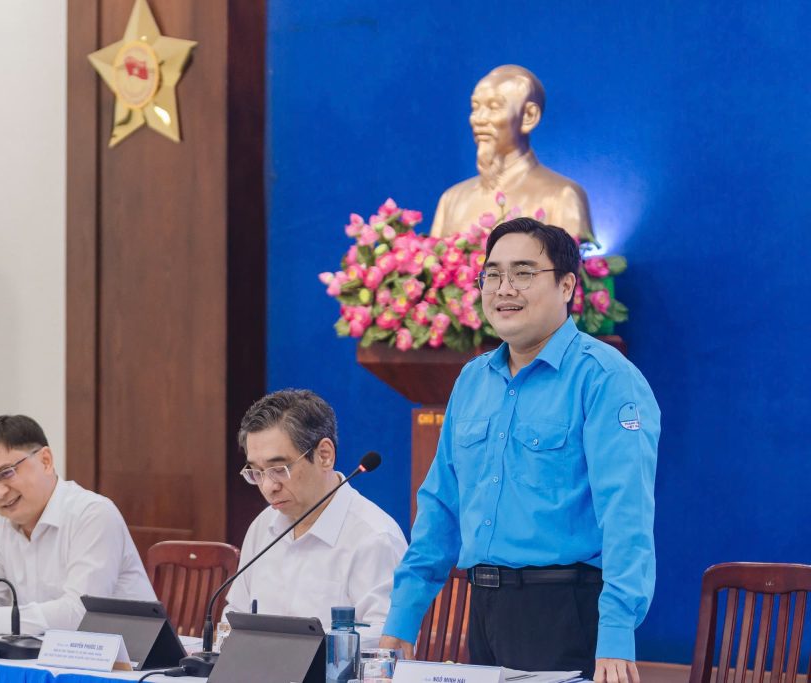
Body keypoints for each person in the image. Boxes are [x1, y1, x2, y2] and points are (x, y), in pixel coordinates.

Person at [381, 218, 659, 683]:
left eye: (524, 273)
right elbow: (440, 507)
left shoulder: (604, 377)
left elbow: (626, 514)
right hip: (484, 608)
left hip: (566, 611)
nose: (504, 288)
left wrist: (616, 632)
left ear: (567, 285)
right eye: (492, 274)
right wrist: (404, 615)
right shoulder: (473, 380)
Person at [223, 389, 408, 647]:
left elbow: (387, 640)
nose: (268, 487)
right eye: (256, 472)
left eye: (279, 469)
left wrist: (302, 650)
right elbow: (235, 614)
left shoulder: (375, 537)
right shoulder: (263, 526)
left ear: (324, 455)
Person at [0, 414, 156, 635]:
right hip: (45, 651)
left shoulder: (93, 514)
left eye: (6, 473)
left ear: (45, 461)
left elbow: (80, 613)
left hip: (130, 653)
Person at [430, 65, 593, 240]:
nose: (478, 119)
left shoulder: (562, 196)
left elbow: (571, 256)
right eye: (475, 107)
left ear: (529, 116)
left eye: (494, 107)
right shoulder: (452, 199)